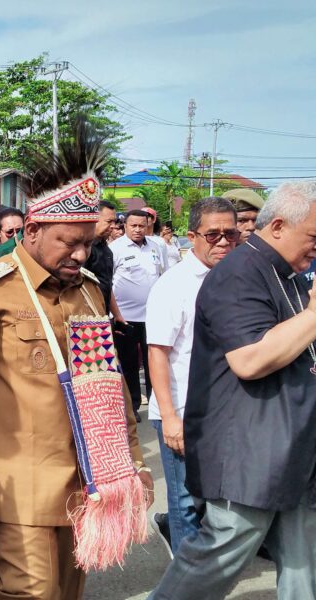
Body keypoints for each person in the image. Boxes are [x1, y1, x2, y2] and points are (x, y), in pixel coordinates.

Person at [0, 127, 152, 600]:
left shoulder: (90, 289)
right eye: (69, 241)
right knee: (30, 592)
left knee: (63, 593)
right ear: (32, 231)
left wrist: (132, 462)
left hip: (87, 482)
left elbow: (110, 387)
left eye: (89, 241)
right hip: (17, 484)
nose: (81, 253)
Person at [149, 180, 316, 598]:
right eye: (313, 237)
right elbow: (250, 359)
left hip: (293, 440)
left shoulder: (289, 274)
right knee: (223, 550)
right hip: (250, 446)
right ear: (278, 225)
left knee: (303, 557)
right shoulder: (238, 274)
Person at [145, 197, 238, 558]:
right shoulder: (175, 285)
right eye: (213, 234)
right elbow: (158, 352)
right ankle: (185, 582)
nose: (223, 242)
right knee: (185, 501)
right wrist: (170, 418)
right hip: (182, 410)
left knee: (214, 498)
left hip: (226, 411)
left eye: (230, 234)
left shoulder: (237, 279)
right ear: (192, 236)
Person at [110, 209, 164, 421]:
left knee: (155, 362)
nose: (138, 229)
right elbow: (108, 283)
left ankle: (156, 404)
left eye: (142, 226)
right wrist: (114, 315)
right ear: (125, 226)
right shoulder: (115, 249)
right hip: (125, 318)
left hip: (153, 316)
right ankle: (132, 407)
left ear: (148, 225)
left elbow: (164, 275)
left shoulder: (156, 246)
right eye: (133, 225)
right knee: (129, 364)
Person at [83, 200, 118, 311]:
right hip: (86, 315)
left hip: (103, 314)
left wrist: (117, 315)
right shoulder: (83, 249)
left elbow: (107, 285)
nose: (113, 226)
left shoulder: (107, 250)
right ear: (94, 219)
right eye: (109, 221)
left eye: (114, 222)